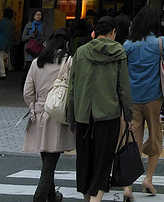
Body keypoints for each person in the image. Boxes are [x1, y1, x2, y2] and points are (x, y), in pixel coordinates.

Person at [70, 15, 131, 202]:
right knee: (103, 161)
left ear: (96, 31)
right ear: (113, 32)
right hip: (108, 114)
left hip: (83, 114)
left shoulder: (80, 52)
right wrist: (128, 115)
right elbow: (123, 88)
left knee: (84, 160)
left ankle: (87, 198)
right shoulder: (119, 52)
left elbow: (72, 86)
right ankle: (96, 200)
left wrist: (71, 115)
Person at [121, 6, 164, 198]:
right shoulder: (161, 42)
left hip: (132, 99)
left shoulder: (127, 45)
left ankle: (127, 185)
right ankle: (148, 179)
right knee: (155, 138)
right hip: (154, 98)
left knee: (131, 142)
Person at [23, 29, 76, 202]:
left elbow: (27, 93)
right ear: (66, 44)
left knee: (47, 158)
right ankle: (39, 197)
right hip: (58, 114)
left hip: (39, 114)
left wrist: (35, 104)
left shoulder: (37, 62)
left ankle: (52, 196)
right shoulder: (69, 62)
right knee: (50, 162)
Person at [0, 7, 16, 78]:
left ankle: (2, 73)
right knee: (6, 56)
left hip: (1, 41)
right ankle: (8, 67)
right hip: (8, 41)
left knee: (0, 57)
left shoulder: (2, 22)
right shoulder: (11, 23)